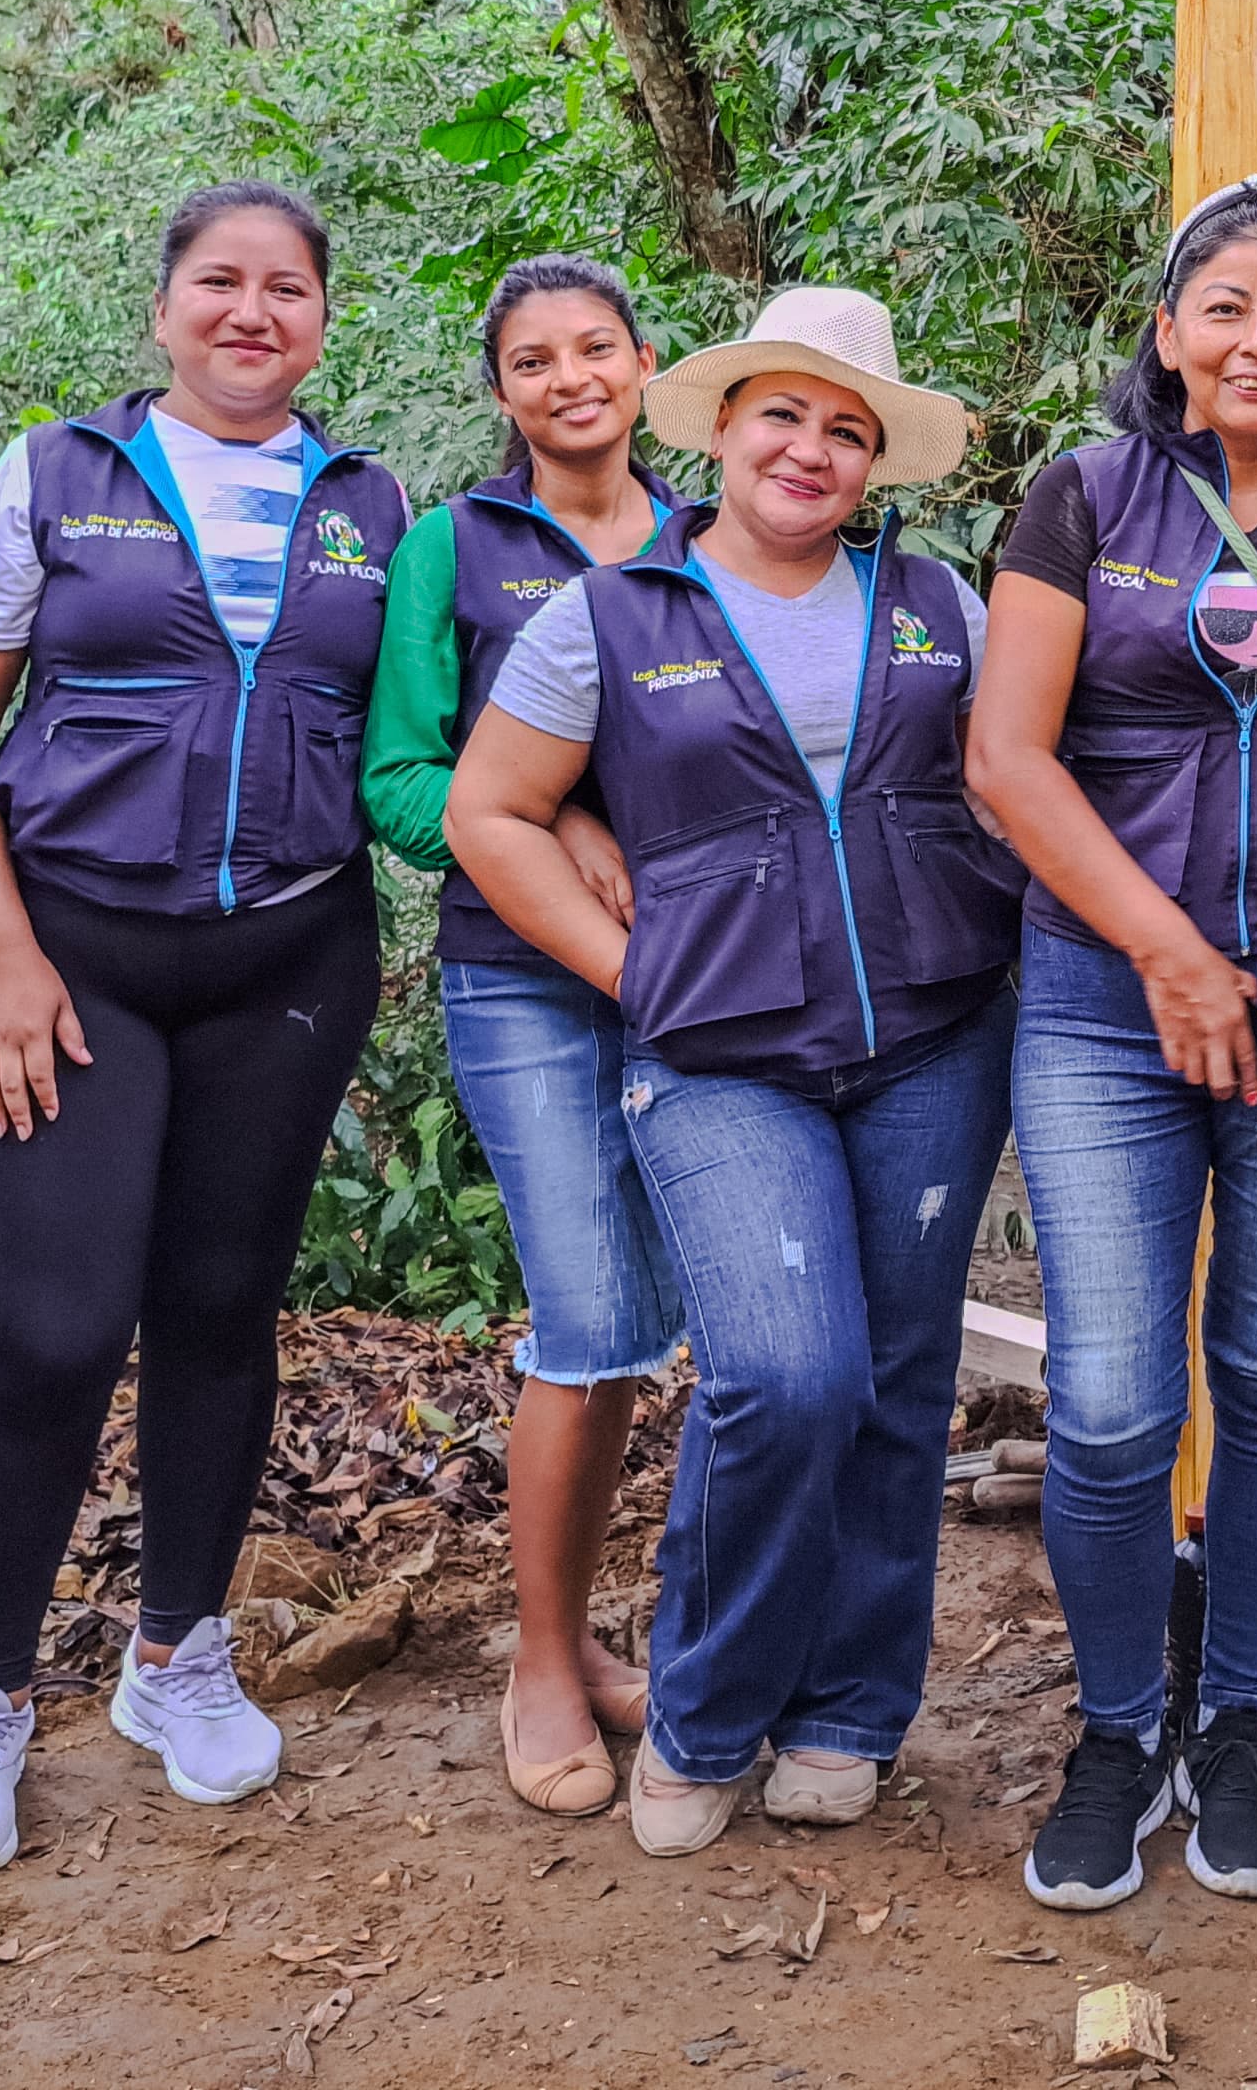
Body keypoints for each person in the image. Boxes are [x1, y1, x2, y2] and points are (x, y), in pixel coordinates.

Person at [444, 285, 1020, 1858]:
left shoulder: (938, 604)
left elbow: (1011, 785)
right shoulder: (617, 613)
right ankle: (704, 1712)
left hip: (931, 1044)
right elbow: (489, 812)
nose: (810, 451)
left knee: (899, 1385)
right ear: (722, 428)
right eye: (783, 416)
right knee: (782, 1374)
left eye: (846, 430)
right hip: (718, 1060)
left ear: (876, 461)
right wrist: (632, 972)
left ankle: (849, 1711)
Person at [0, 182, 411, 1878]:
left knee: (218, 1312)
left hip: (289, 956)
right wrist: (0, 952)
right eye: (220, 282)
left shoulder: (375, 506)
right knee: (50, 1334)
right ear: (165, 306)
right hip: (71, 957)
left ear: (324, 318)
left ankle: (177, 1653)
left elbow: (433, 724)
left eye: (288, 288)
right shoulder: (57, 475)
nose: (253, 312)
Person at [963, 179, 1257, 1909]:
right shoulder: (1084, 496)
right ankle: (1116, 1726)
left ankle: (1235, 1715)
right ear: (1167, 334)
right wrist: (1166, 952)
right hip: (1102, 997)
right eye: (1225, 306)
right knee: (1109, 1397)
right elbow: (1009, 760)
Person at [361, 255, 680, 1816]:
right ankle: (541, 1658)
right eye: (534, 360)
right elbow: (402, 780)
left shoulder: (704, 534)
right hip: (523, 979)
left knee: (638, 1327)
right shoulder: (455, 546)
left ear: (644, 366)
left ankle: (591, 1632)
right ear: (500, 390)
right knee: (584, 1314)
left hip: (694, 977)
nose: (570, 380)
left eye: (595, 349)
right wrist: (555, 828)